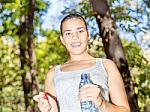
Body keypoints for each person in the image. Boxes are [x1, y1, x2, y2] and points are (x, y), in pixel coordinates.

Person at [33, 13, 130, 112]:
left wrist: (102, 103)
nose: (75, 37)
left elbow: (125, 110)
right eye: (68, 33)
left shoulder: (106, 65)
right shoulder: (53, 74)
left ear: (88, 35)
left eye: (80, 31)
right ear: (62, 39)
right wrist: (48, 108)